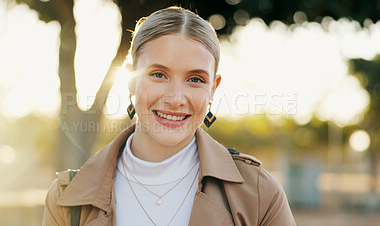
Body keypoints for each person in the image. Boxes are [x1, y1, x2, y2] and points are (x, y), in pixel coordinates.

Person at [42, 6, 296, 226]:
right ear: (131, 79)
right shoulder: (67, 198)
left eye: (195, 79)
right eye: (158, 75)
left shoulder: (260, 193)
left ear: (213, 89)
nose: (176, 99)